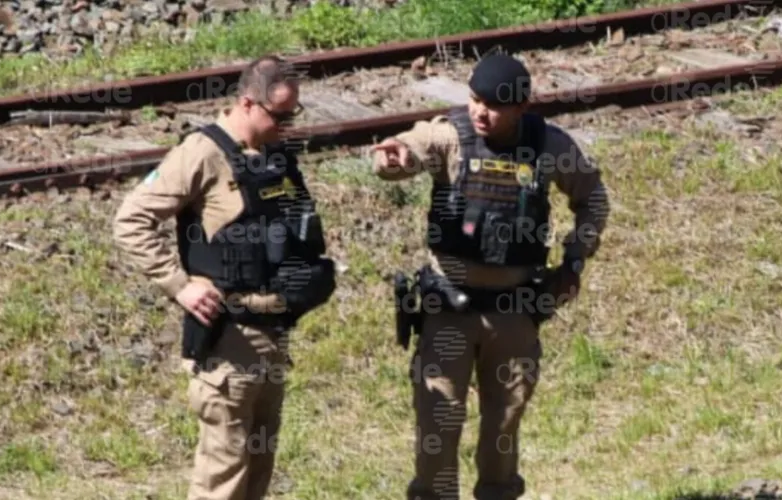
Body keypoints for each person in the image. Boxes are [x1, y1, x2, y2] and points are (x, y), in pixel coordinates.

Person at [370, 52, 610, 499]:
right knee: (437, 427)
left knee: (504, 428)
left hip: (514, 314)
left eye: (494, 105)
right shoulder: (452, 135)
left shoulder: (549, 146)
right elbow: (413, 148)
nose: (481, 112)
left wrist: (575, 260)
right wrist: (394, 159)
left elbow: (592, 197)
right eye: (475, 100)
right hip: (449, 311)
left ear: (521, 107)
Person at [112, 55, 337, 500]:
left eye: (295, 113)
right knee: (223, 477)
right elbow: (131, 219)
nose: (288, 123)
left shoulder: (273, 155)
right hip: (228, 342)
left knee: (256, 471)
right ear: (249, 103)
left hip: (273, 338)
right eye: (281, 114)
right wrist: (180, 285)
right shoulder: (202, 153)